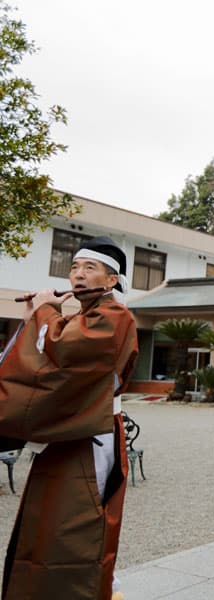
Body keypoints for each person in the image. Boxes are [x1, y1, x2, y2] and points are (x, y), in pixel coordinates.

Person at [0, 236, 138, 600]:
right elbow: (50, 370)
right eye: (74, 267)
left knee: (75, 523)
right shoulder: (86, 315)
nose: (77, 275)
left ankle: (89, 590)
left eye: (89, 268)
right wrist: (41, 318)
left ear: (111, 281)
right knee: (49, 521)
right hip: (70, 429)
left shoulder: (115, 316)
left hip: (90, 433)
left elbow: (65, 349)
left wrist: (44, 312)